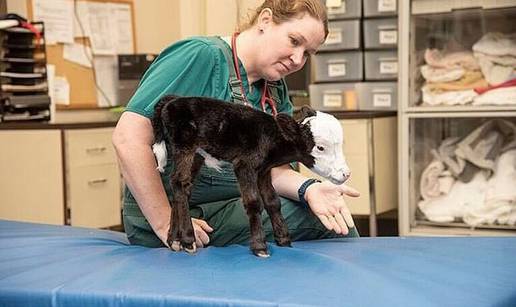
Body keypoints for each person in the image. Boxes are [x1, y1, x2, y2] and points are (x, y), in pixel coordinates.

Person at [112, 0, 361, 250]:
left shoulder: (274, 88)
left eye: (307, 53)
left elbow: (275, 172)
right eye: (294, 41)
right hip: (174, 213)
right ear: (265, 20)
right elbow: (127, 138)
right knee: (328, 227)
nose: (297, 59)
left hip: (228, 205)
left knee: (327, 214)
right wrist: (166, 221)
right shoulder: (199, 55)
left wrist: (309, 189)